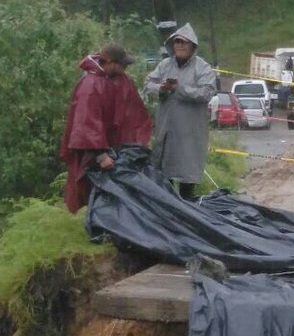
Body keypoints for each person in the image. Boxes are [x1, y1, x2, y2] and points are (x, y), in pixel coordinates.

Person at [59, 44, 153, 213]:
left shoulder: (122, 80)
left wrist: (141, 141)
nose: (125, 69)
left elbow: (135, 114)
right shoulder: (90, 86)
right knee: (92, 192)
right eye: (122, 65)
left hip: (119, 148)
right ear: (109, 62)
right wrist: (101, 155)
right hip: (93, 153)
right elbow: (85, 124)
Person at [145, 24, 218, 199]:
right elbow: (147, 85)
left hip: (189, 133)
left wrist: (181, 89)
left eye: (184, 43)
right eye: (177, 42)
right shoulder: (164, 65)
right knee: (163, 181)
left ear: (192, 46)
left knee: (187, 181)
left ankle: (186, 215)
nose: (179, 46)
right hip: (166, 130)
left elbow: (207, 93)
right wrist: (161, 88)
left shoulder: (203, 68)